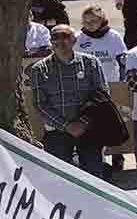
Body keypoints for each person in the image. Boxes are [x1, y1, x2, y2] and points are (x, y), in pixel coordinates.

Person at [29, 23, 107, 176]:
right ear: (51, 42)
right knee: (59, 178)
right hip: (56, 133)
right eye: (55, 37)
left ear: (74, 40)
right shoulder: (38, 69)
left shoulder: (91, 63)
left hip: (89, 129)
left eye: (65, 36)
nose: (60, 41)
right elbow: (40, 104)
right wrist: (66, 126)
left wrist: (83, 123)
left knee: (94, 176)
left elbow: (102, 95)